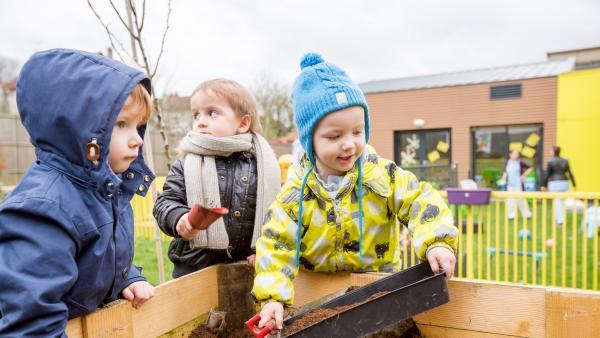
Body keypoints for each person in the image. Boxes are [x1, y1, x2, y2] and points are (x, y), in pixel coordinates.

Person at [252, 53, 458, 331]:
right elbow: (277, 245)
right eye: (334, 136)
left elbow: (420, 200)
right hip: (318, 298)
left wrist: (437, 241)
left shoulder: (382, 176)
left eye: (357, 132)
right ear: (309, 140)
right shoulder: (295, 195)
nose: (349, 144)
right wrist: (273, 298)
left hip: (380, 290)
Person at [0, 49, 155, 336]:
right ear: (80, 131)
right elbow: (32, 322)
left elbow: (103, 254)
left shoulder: (105, 189)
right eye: (121, 125)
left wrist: (126, 278)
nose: (137, 140)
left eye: (138, 125)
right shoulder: (44, 208)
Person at [153, 79, 281, 278]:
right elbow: (165, 202)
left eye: (212, 113)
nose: (201, 121)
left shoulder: (263, 167)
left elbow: (279, 214)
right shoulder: (186, 164)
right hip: (194, 267)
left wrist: (263, 250)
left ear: (243, 123)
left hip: (246, 268)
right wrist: (179, 218)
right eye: (196, 115)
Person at [541, 146, 576, 226]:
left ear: (553, 152)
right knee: (560, 202)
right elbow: (570, 173)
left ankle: (560, 221)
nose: (550, 152)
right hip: (565, 183)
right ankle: (557, 218)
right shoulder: (565, 160)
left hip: (554, 183)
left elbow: (547, 174)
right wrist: (574, 184)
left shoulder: (550, 161)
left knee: (557, 201)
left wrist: (544, 185)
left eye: (550, 151)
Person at [501, 149, 533, 219]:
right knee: (510, 200)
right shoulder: (507, 162)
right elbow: (505, 172)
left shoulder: (520, 162)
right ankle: (511, 215)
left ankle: (527, 215)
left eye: (517, 154)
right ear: (510, 154)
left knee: (521, 199)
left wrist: (524, 175)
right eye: (514, 154)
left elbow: (530, 168)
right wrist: (503, 178)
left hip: (518, 184)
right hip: (510, 185)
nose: (516, 155)